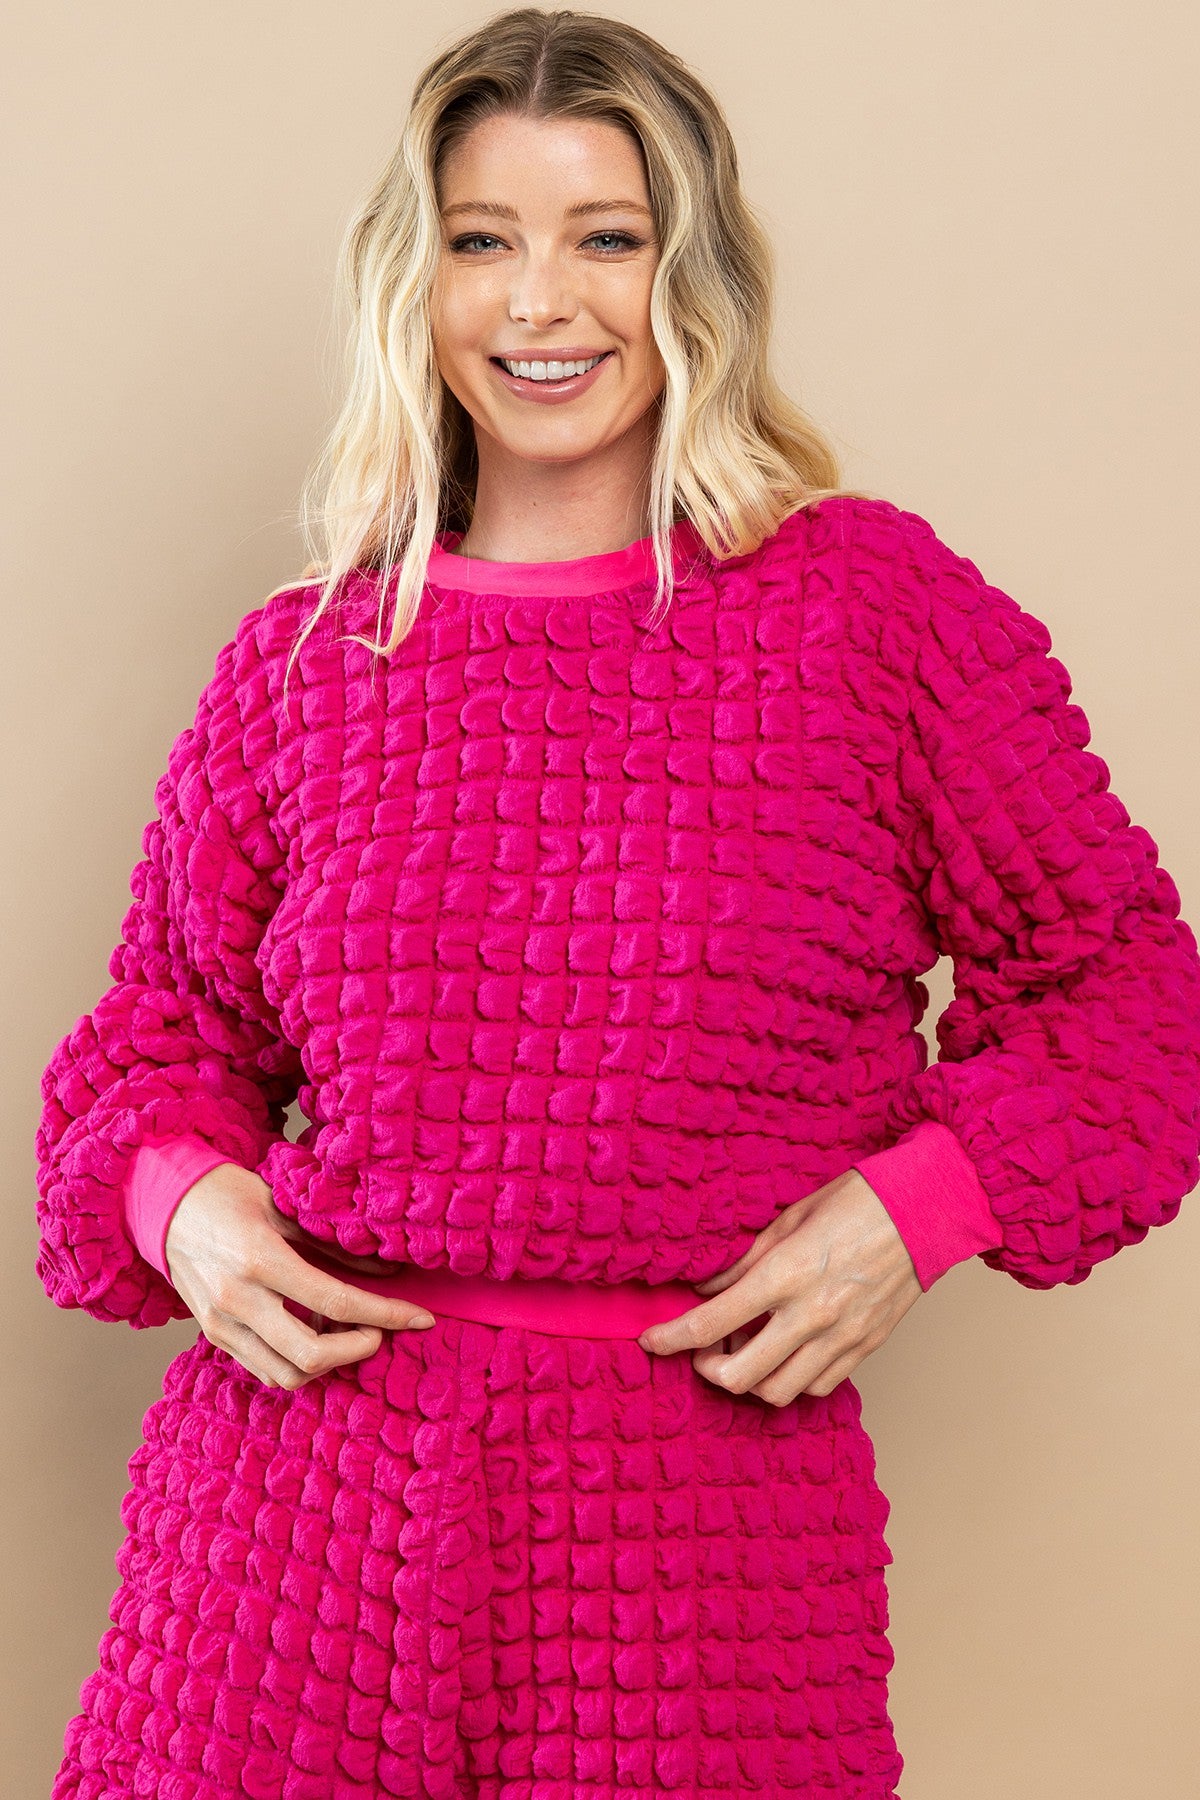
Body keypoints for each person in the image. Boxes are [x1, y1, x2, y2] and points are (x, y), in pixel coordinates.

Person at [35, 9, 1200, 1798]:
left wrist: (922, 1205)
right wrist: (179, 1205)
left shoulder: (867, 617)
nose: (540, 302)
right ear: (416, 283)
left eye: (607, 237)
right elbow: (154, 1042)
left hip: (697, 1549)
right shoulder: (306, 663)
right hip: (282, 1548)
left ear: (693, 273)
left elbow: (1131, 995)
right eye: (480, 241)